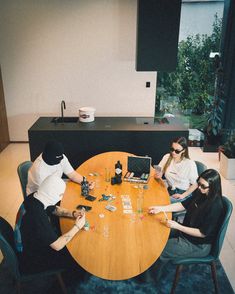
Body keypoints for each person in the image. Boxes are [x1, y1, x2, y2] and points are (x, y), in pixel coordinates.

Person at [148, 169, 224, 281]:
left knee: (159, 249)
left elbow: (202, 234)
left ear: (213, 187)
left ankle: (149, 278)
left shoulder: (215, 206)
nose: (199, 188)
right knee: (156, 229)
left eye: (203, 186)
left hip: (198, 244)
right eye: (199, 184)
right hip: (186, 232)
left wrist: (177, 226)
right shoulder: (201, 193)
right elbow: (183, 205)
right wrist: (160, 208)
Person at [15, 174, 86, 274]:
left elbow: (52, 208)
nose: (61, 198)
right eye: (61, 195)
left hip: (27, 240)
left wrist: (73, 213)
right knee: (75, 254)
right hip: (31, 259)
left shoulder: (36, 196)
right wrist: (77, 226)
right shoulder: (38, 216)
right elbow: (57, 246)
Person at [27, 141, 94, 196]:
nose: (59, 162)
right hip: (40, 197)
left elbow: (73, 175)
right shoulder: (39, 172)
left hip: (55, 186)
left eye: (60, 159)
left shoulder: (60, 157)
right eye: (56, 161)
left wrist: (85, 182)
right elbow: (47, 196)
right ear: (48, 158)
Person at [155, 136, 198, 203]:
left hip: (183, 193)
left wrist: (183, 196)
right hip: (170, 190)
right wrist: (159, 172)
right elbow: (158, 168)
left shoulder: (190, 164)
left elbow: (195, 184)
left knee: (161, 202)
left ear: (183, 150)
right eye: (172, 149)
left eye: (177, 151)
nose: (173, 152)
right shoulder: (167, 157)